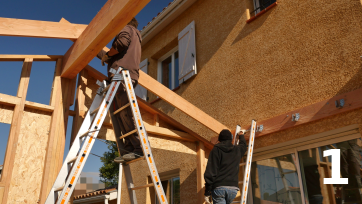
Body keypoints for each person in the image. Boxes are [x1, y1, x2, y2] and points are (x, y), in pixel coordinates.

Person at [97, 17, 142, 162]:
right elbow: (116, 53)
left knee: (126, 113)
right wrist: (102, 54)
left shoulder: (127, 28)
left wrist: (108, 54)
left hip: (122, 76)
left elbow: (121, 43)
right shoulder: (133, 36)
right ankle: (129, 147)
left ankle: (138, 148)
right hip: (121, 76)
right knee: (121, 114)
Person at [204, 129, 247, 204]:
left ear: (219, 139)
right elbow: (243, 146)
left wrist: (207, 192)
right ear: (231, 138)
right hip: (233, 189)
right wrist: (241, 135)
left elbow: (211, 172)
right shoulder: (237, 150)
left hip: (219, 188)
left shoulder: (216, 150)